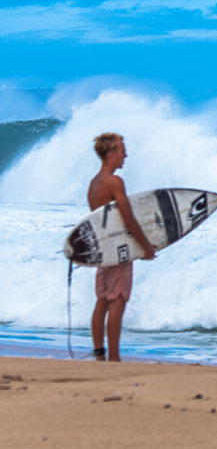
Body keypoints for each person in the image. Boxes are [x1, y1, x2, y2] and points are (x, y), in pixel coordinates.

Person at [87, 133, 155, 361]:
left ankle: (99, 354)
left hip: (102, 247)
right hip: (119, 248)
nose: (125, 155)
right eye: (122, 150)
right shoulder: (115, 182)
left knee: (102, 299)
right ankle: (114, 358)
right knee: (118, 299)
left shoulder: (94, 184)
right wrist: (146, 246)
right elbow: (128, 219)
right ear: (111, 154)